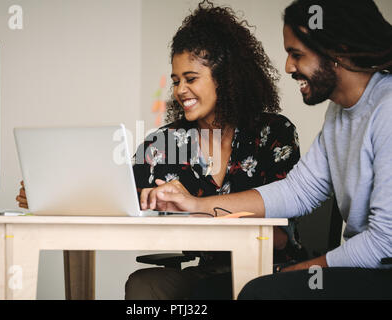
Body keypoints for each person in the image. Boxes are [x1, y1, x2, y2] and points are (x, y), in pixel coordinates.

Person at [143, 0, 392, 299]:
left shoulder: (387, 109)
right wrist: (195, 205)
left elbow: (384, 243)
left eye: (297, 55)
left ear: (337, 51)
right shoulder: (339, 114)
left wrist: (303, 271)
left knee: (257, 293)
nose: (288, 67)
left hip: (380, 273)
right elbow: (298, 191)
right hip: (361, 271)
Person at [125, 1, 306, 300]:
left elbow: (278, 237)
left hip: (272, 271)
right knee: (146, 285)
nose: (180, 90)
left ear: (225, 77)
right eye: (175, 81)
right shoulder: (164, 145)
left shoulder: (274, 134)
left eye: (191, 79)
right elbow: (117, 195)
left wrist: (197, 209)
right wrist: (58, 196)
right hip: (209, 275)